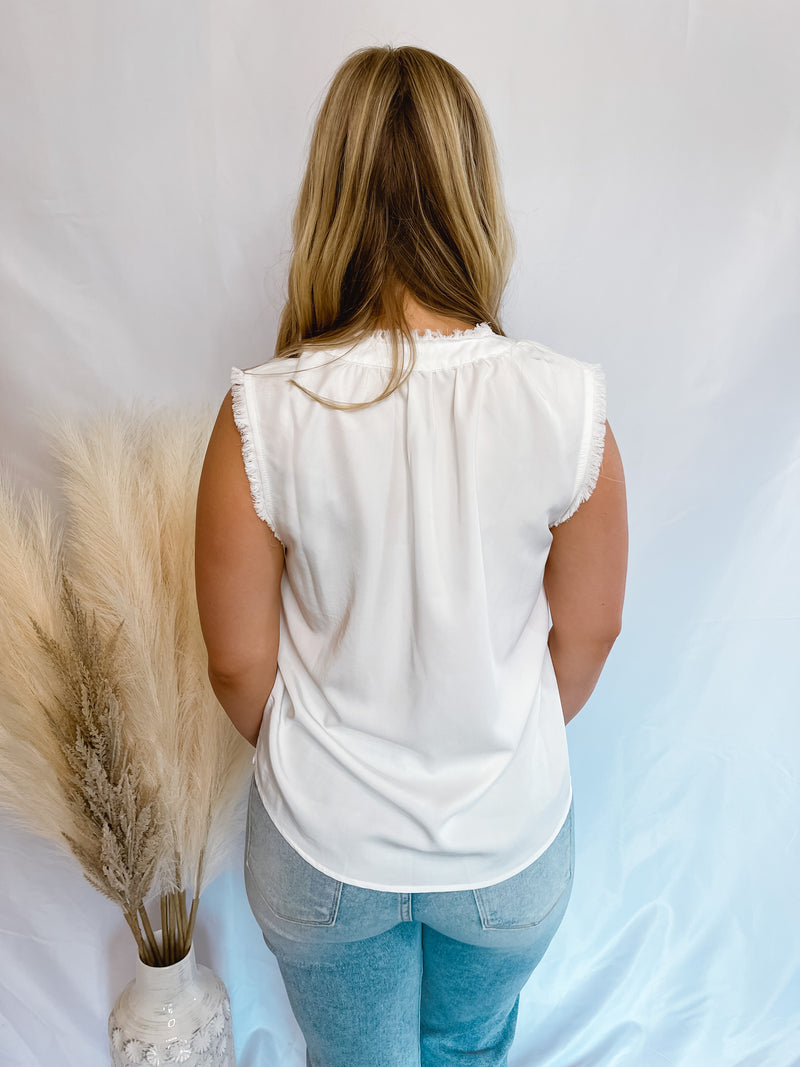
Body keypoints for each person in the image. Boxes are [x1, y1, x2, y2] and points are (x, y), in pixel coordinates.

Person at [195, 44, 628, 1067]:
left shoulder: (262, 412)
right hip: (507, 849)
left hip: (321, 850)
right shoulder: (569, 406)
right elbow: (590, 628)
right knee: (468, 1049)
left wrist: (328, 756)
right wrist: (496, 727)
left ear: (329, 195)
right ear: (474, 193)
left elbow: (234, 663)